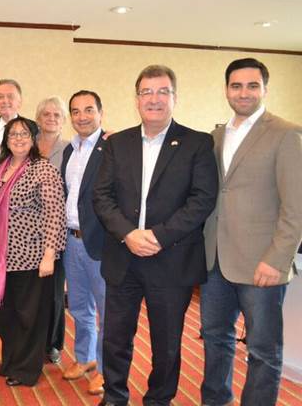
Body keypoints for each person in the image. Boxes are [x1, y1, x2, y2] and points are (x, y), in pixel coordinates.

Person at [92, 65, 218, 406]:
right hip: (123, 256)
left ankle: (159, 399)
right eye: (147, 92)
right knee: (116, 338)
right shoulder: (117, 143)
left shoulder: (197, 143)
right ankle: (115, 396)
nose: (154, 99)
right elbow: (101, 196)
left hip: (172, 259)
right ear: (137, 100)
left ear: (175, 97)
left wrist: (158, 236)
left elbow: (202, 199)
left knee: (167, 343)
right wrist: (128, 234)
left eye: (163, 91)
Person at [201, 58, 302, 406]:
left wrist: (277, 259)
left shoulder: (286, 133)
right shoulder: (215, 136)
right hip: (215, 261)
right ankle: (216, 399)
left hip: (262, 265)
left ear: (265, 90)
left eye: (252, 85)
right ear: (227, 89)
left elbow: (296, 207)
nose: (243, 93)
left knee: (263, 348)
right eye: (236, 86)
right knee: (215, 338)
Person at [0, 117, 66, 386]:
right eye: (13, 134)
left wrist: (50, 254)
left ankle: (26, 369)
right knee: (8, 314)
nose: (18, 138)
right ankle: (12, 361)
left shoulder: (43, 169)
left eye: (24, 134)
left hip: (33, 256)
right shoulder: (0, 168)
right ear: (6, 139)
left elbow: (54, 214)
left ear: (34, 138)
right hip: (1, 257)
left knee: (30, 316)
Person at [60, 90, 107, 395]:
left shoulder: (113, 146)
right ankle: (84, 357)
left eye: (88, 110)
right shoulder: (69, 149)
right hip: (71, 239)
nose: (82, 117)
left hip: (101, 242)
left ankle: (105, 369)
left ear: (100, 112)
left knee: (107, 308)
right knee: (79, 305)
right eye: (76, 111)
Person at [0, 78, 36, 339]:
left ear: (20, 101)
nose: (5, 101)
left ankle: (16, 326)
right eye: (0, 96)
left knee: (18, 283)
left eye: (10, 96)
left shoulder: (29, 129)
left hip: (21, 221)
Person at [35, 96, 69, 364]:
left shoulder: (70, 148)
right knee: (31, 291)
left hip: (57, 229)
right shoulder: (26, 144)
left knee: (55, 291)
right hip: (27, 232)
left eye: (56, 114)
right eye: (46, 114)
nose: (51, 118)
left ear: (63, 120)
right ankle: (32, 339)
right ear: (38, 118)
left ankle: (53, 343)